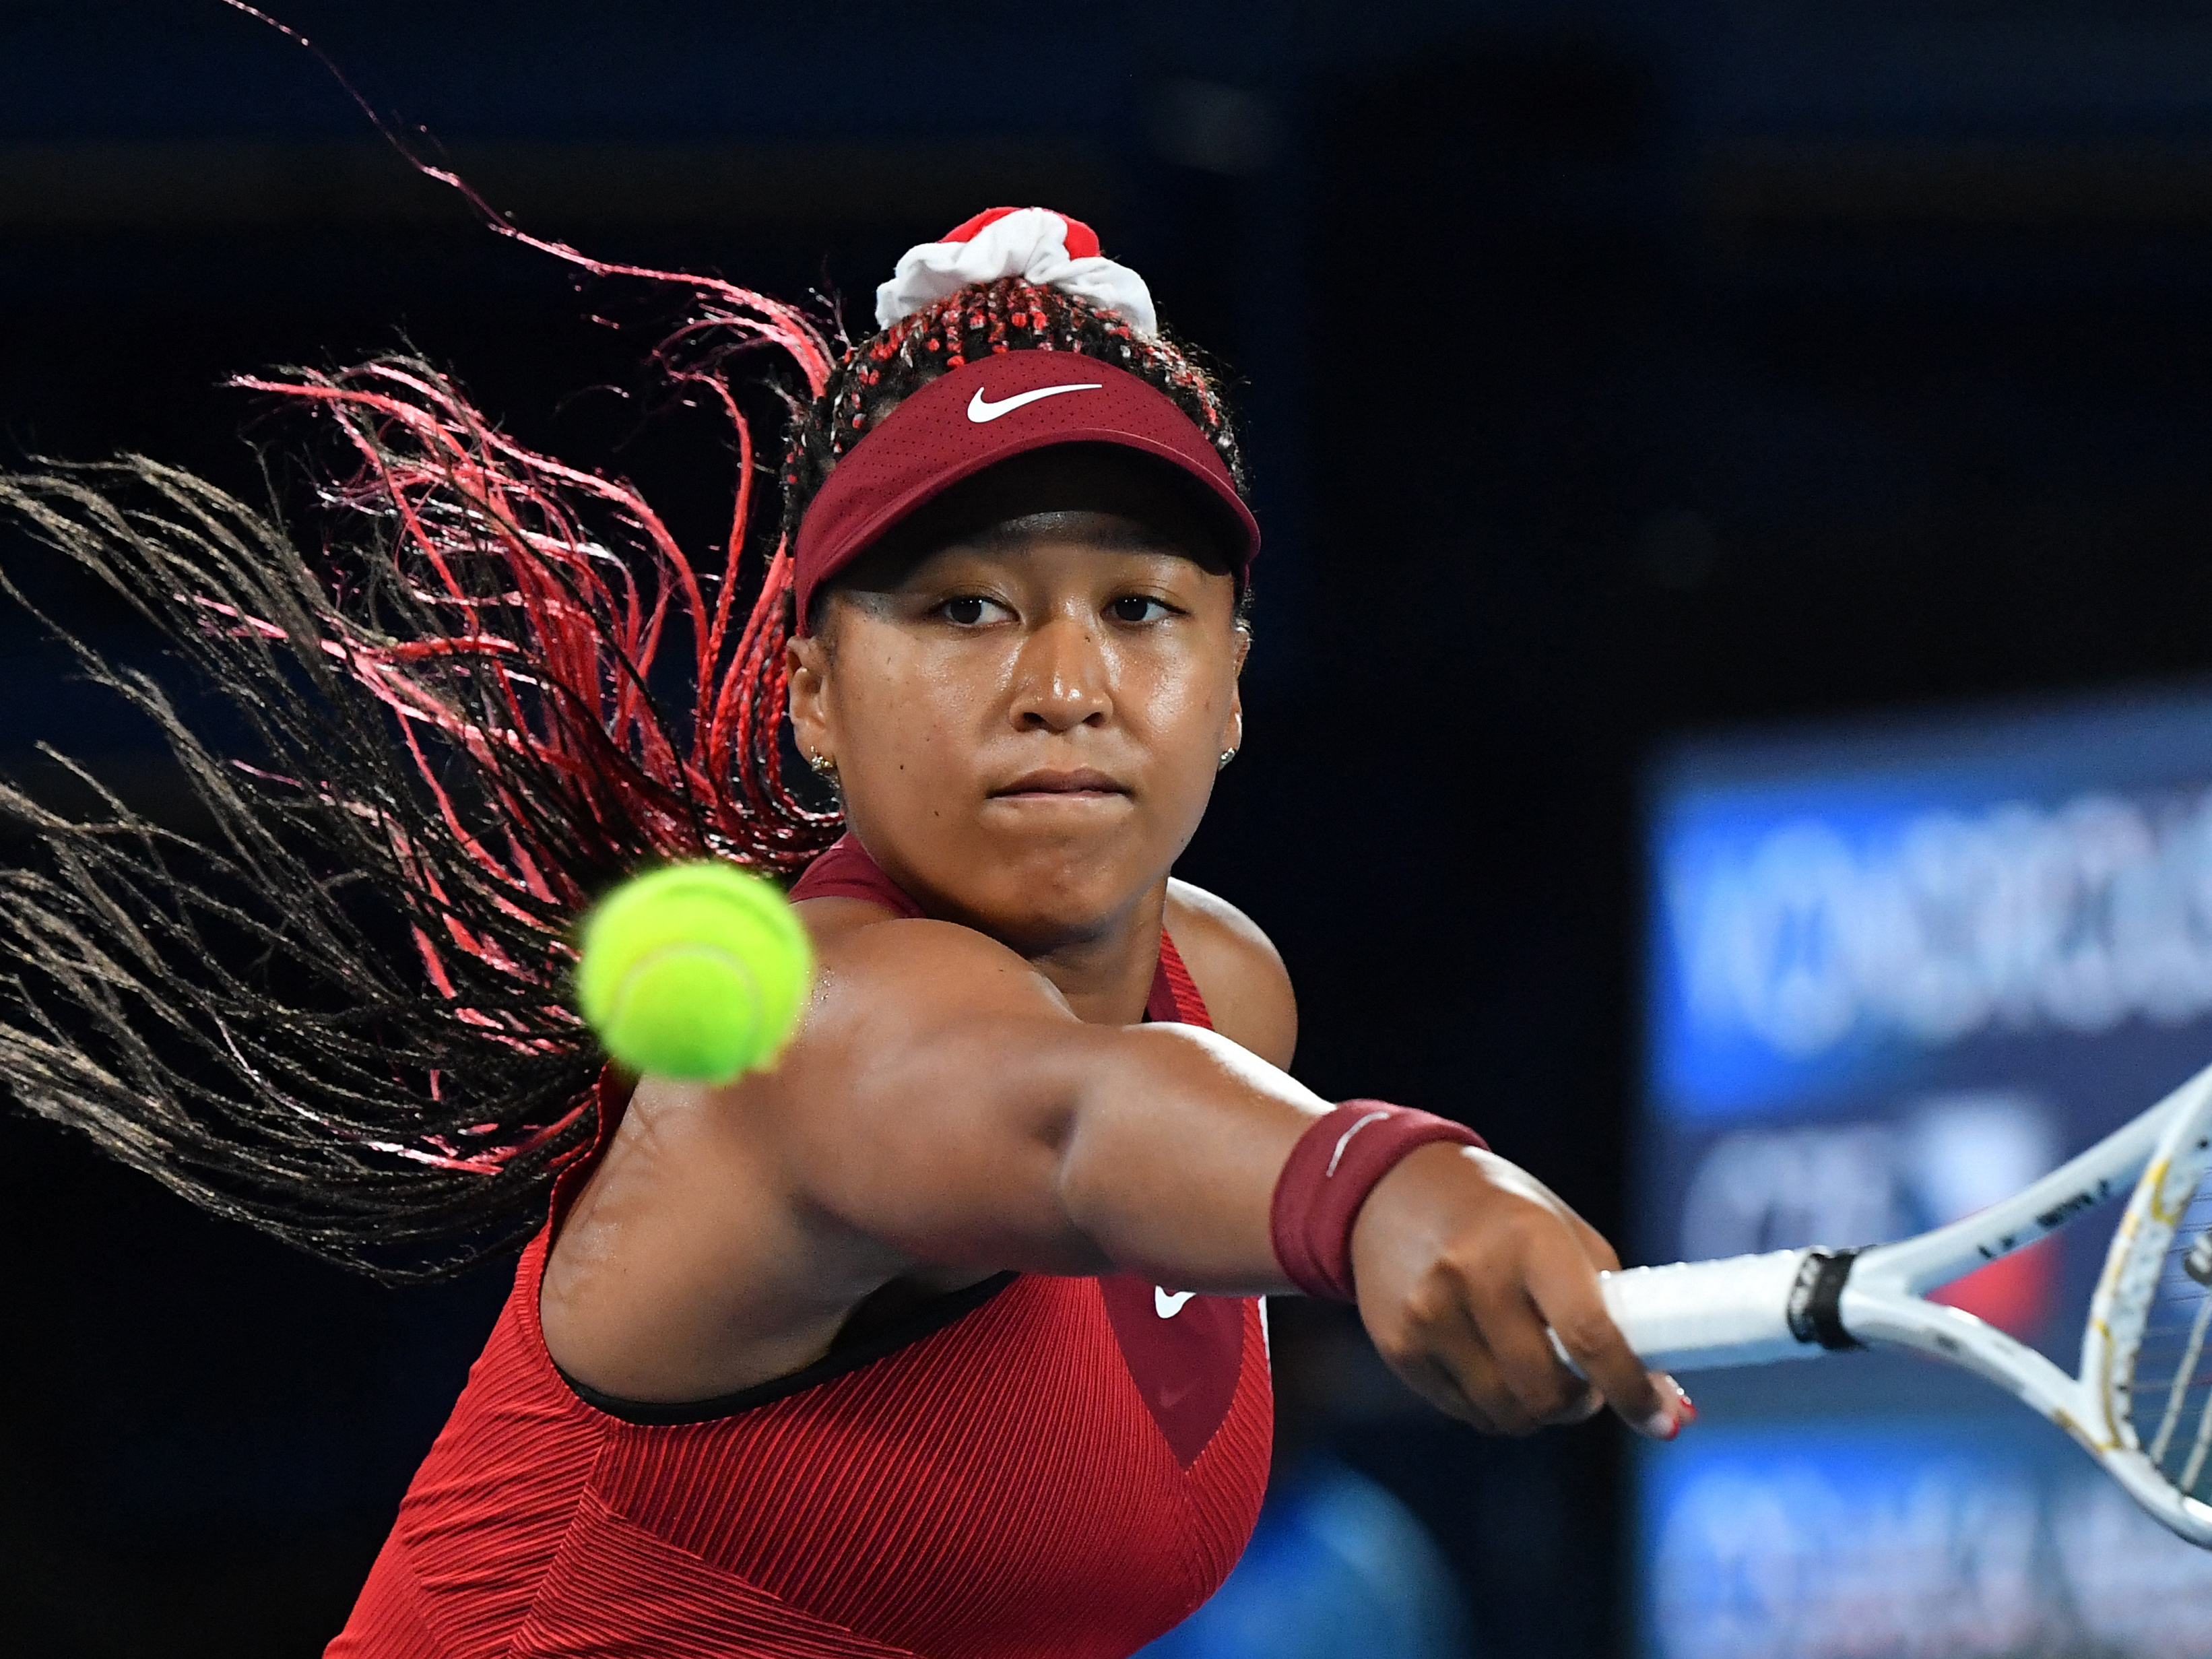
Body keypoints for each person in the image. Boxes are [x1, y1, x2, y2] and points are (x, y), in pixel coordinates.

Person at [0, 205, 1689, 1658]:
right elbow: (1070, 1114)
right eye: (964, 608)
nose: (1065, 686)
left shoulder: (1228, 989)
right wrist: (1377, 1181)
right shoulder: (813, 1032)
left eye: (1142, 608)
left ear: (1233, 684)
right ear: (812, 688)